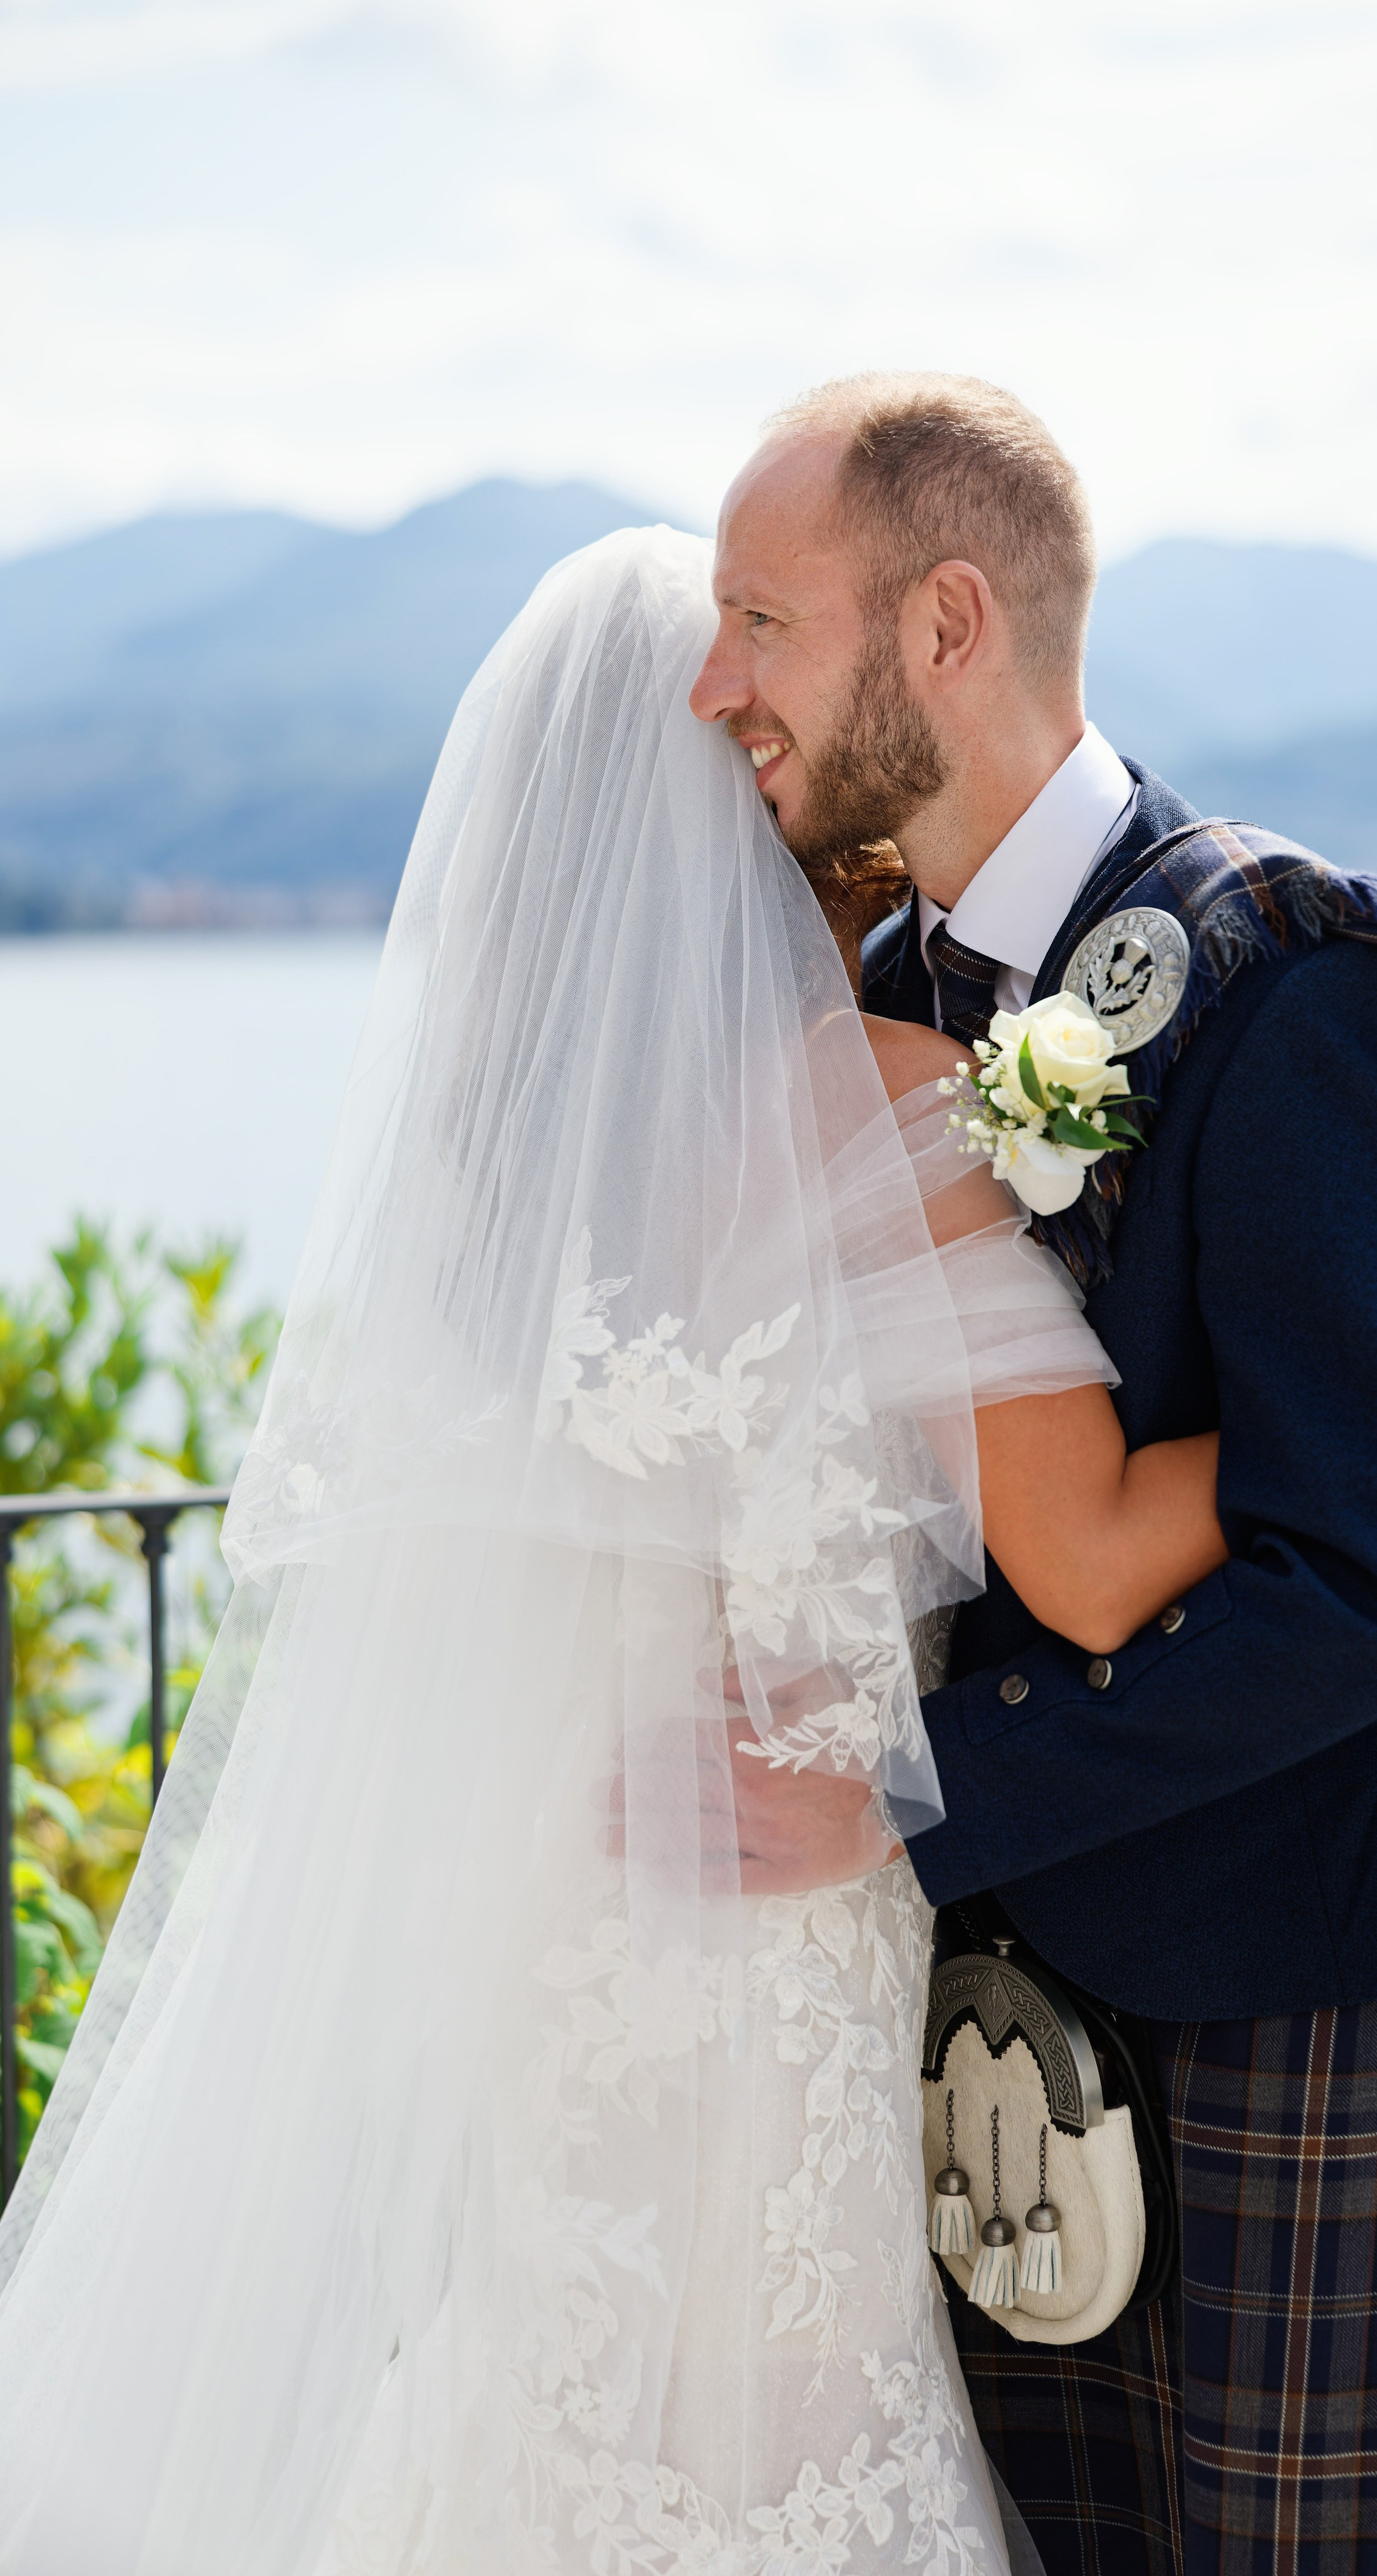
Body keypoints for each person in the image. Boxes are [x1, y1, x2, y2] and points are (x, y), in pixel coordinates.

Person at [0, 524, 1225, 2575]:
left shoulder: (487, 1187)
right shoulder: (883, 1106)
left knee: (548, 2405)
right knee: (777, 2449)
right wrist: (1360, 1436)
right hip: (776, 1932)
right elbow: (1091, 1560)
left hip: (564, 1937)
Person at [690, 374, 1377, 2576]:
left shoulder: (1293, 983)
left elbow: (1374, 1580)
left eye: (764, 621)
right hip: (1016, 2044)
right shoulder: (885, 991)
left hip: (1307, 2049)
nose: (719, 683)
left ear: (944, 622)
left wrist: (908, 1787)